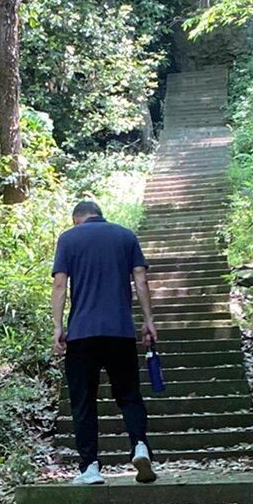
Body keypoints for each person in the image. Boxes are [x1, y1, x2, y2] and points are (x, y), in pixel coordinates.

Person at [51, 198, 159, 486]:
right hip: (120, 331)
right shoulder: (125, 235)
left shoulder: (69, 238)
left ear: (78, 219)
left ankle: (90, 467)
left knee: (83, 401)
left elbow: (60, 284)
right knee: (129, 396)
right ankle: (139, 446)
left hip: (82, 334)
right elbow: (141, 279)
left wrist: (57, 327)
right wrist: (148, 321)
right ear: (100, 214)